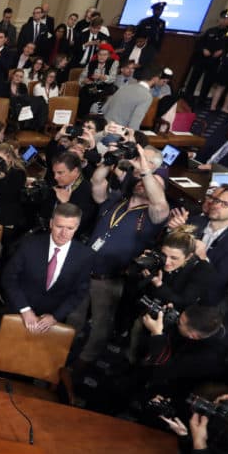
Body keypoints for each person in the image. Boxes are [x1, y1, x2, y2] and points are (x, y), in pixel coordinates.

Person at [70, 146, 169, 364]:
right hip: (83, 271)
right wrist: (108, 161)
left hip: (109, 280)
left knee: (100, 325)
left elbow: (160, 202)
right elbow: (97, 182)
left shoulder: (154, 215)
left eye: (153, 185)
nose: (145, 184)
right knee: (73, 316)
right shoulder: (117, 200)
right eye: (142, 181)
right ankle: (62, 352)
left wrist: (147, 172)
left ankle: (84, 364)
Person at [2, 203, 95, 333]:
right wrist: (25, 309)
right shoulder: (29, 244)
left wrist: (56, 316)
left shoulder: (85, 255)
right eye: (59, 226)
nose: (63, 233)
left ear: (77, 227)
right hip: (18, 313)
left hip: (52, 323)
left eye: (70, 228)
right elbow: (9, 278)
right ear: (51, 223)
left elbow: (79, 292)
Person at [165, 185, 228, 302]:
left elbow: (216, 283)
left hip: (199, 300)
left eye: (225, 204)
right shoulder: (196, 221)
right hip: (173, 283)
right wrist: (172, 230)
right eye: (217, 200)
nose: (216, 205)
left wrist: (203, 257)